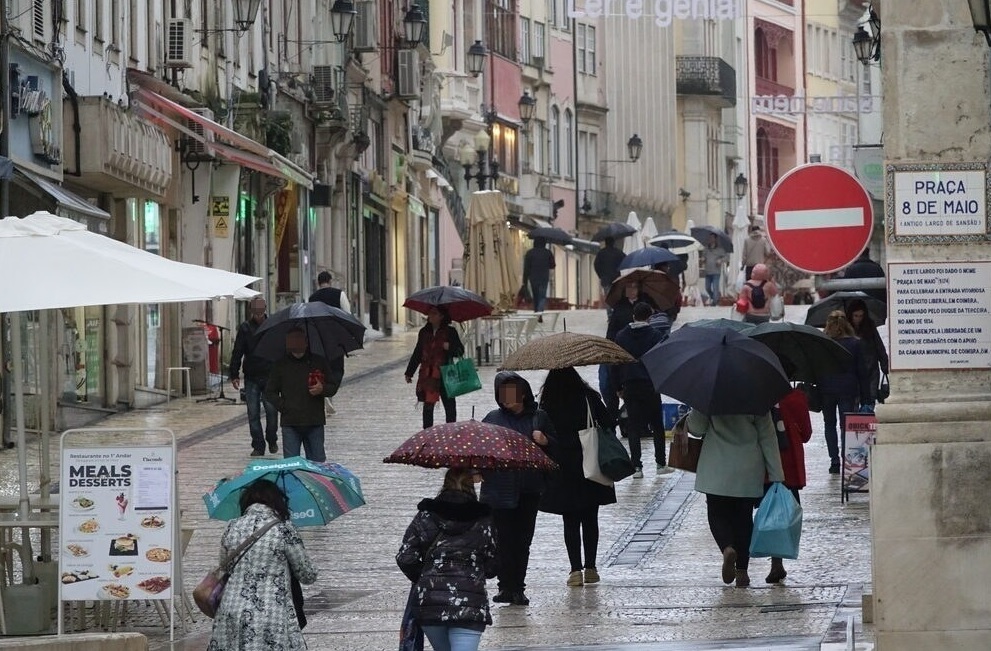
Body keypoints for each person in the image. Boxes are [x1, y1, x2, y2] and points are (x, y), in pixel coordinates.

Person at [207, 479, 316, 651]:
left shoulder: (232, 526)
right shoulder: (284, 529)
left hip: (231, 610)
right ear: (277, 501)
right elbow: (307, 575)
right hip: (271, 613)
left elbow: (225, 566)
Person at [396, 468, 497, 651]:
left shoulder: (425, 515)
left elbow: (405, 556)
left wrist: (425, 575)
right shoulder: (484, 520)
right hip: (470, 603)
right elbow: (493, 565)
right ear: (471, 486)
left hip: (431, 602)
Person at [480, 372, 556, 606]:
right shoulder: (493, 419)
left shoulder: (539, 418)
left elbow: (557, 451)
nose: (507, 398)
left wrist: (546, 442)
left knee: (522, 541)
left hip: (528, 489)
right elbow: (481, 452)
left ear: (522, 391)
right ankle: (505, 586)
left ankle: (518, 587)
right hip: (498, 490)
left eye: (511, 391)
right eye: (502, 393)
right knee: (502, 540)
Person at [685, 410, 785, 588]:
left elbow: (696, 428)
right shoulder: (757, 397)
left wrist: (696, 410)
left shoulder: (710, 394)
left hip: (716, 468)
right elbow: (768, 437)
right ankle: (742, 572)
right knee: (744, 519)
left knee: (716, 514)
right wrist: (777, 474)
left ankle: (727, 548)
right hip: (748, 468)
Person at [537, 367, 617, 586]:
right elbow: (609, 422)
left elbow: (540, 434)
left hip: (564, 465)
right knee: (591, 518)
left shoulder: (548, 402)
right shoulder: (588, 397)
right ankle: (591, 567)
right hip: (590, 462)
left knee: (570, 520)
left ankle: (575, 571)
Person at [264, 326, 341, 462]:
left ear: (306, 342)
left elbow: (333, 386)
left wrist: (322, 389)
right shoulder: (280, 365)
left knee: (317, 463)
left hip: (314, 420)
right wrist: (284, 406)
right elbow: (270, 392)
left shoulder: (318, 361)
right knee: (292, 465)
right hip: (291, 422)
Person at [613, 302, 671, 478]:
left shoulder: (621, 336)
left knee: (633, 427)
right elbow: (661, 360)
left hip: (630, 384)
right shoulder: (655, 335)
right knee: (657, 425)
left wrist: (617, 387)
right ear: (649, 317)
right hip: (650, 384)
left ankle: (636, 466)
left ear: (633, 316)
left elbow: (615, 363)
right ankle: (660, 463)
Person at [764, 383, 812, 584]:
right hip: (789, 466)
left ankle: (744, 565)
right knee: (783, 513)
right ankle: (777, 561)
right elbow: (806, 434)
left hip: (764, 465)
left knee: (765, 513)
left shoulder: (758, 396)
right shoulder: (796, 398)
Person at [820, 310, 870, 474]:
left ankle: (834, 460)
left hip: (826, 389)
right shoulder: (855, 344)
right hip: (848, 390)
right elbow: (862, 372)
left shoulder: (823, 343)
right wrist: (866, 398)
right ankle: (846, 458)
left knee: (829, 424)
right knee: (846, 426)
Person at [230, 298, 278, 457]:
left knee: (271, 411)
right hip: (251, 375)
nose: (258, 313)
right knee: (253, 412)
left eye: (260, 310)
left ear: (264, 309)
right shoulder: (245, 328)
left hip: (270, 374)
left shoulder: (272, 325)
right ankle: (258, 444)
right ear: (251, 310)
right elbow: (238, 351)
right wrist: (234, 374)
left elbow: (279, 349)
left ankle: (272, 438)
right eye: (255, 310)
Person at [602, 281, 657, 418]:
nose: (631, 290)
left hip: (644, 353)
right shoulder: (620, 307)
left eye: (634, 287)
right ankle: (614, 415)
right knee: (608, 381)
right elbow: (612, 331)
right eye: (628, 287)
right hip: (624, 349)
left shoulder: (647, 303)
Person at [405, 306, 465, 429]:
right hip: (428, 375)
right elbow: (418, 352)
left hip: (446, 373)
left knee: (449, 406)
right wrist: (409, 372)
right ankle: (427, 434)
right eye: (430, 313)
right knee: (428, 406)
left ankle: (451, 431)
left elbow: (460, 350)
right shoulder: (424, 332)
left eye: (434, 313)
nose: (430, 316)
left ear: (441, 316)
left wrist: (449, 347)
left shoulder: (450, 331)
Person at [309, 270, 350, 416]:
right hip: (335, 340)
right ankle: (328, 394)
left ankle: (325, 396)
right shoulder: (339, 294)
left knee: (321, 369)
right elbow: (347, 316)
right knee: (336, 370)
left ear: (318, 283)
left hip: (319, 340)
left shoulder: (312, 298)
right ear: (330, 281)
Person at [845, 299, 889, 412]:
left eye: (861, 315)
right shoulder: (845, 329)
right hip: (853, 372)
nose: (858, 319)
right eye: (856, 316)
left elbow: (879, 346)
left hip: (871, 370)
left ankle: (866, 426)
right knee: (854, 402)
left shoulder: (869, 326)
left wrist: (885, 364)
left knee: (870, 401)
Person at [522, 237, 555, 313]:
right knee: (542, 296)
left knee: (536, 295)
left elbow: (526, 268)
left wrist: (525, 281)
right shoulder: (548, 253)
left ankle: (537, 310)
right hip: (544, 277)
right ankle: (540, 311)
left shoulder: (529, 253)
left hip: (533, 278)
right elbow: (552, 265)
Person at [702, 233, 728, 306]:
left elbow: (726, 257)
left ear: (715, 239)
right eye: (710, 238)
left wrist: (720, 260)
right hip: (707, 271)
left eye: (712, 237)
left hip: (716, 271)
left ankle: (714, 302)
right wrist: (703, 259)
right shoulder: (706, 248)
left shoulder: (720, 249)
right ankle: (715, 297)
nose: (711, 239)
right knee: (707, 288)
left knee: (715, 287)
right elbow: (703, 256)